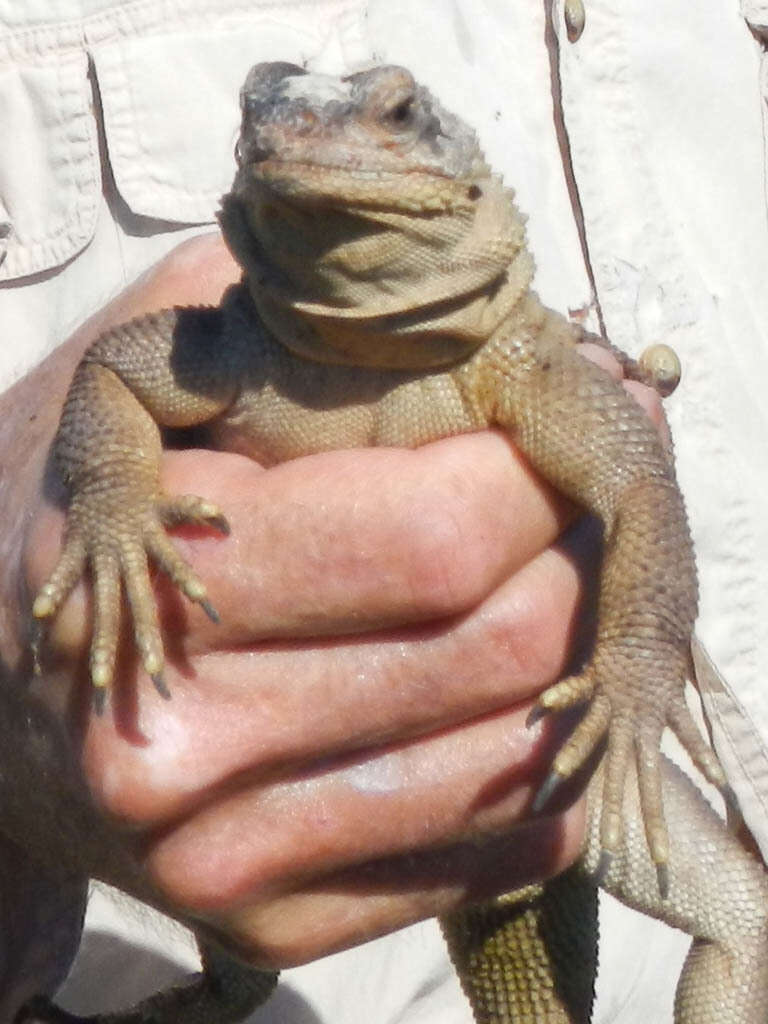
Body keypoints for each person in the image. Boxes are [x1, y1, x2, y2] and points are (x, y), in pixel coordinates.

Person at [1, 2, 766, 1022]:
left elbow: (641, 492)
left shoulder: (516, 355)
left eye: (394, 116)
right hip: (225, 914)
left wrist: (630, 675)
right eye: (267, 122)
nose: (303, 140)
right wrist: (77, 521)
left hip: (572, 760)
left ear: (461, 175)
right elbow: (116, 377)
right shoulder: (231, 351)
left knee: (744, 921)